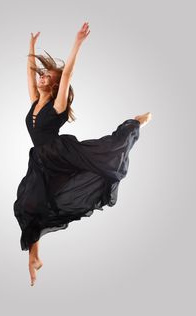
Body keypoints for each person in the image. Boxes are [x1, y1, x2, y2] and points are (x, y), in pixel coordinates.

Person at [13, 22, 152, 286]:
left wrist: (77, 42)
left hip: (60, 154)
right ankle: (35, 257)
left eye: (47, 77)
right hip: (41, 161)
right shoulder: (35, 100)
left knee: (109, 150)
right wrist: (30, 48)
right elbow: (31, 74)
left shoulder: (57, 104)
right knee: (29, 205)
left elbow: (67, 75)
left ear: (54, 86)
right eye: (41, 76)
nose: (42, 78)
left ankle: (135, 123)